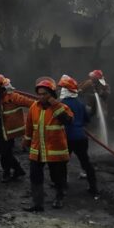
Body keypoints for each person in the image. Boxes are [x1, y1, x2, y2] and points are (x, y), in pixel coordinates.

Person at [23, 77, 73, 211]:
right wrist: (26, 141)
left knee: (57, 177)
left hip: (55, 150)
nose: (41, 97)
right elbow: (29, 126)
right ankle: (37, 204)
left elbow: (67, 120)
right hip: (37, 149)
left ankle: (59, 197)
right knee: (35, 176)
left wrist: (54, 104)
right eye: (39, 94)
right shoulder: (34, 107)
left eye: (44, 94)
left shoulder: (62, 107)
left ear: (52, 94)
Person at [58, 75, 99, 197]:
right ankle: (93, 187)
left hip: (67, 137)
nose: (60, 90)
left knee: (62, 162)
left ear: (65, 90)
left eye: (61, 88)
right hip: (81, 137)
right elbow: (86, 119)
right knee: (85, 162)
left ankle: (62, 186)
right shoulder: (80, 104)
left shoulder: (61, 105)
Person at [0, 74, 34, 182]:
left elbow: (31, 103)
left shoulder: (12, 97)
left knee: (5, 153)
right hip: (1, 129)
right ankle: (18, 169)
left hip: (9, 131)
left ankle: (7, 173)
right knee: (4, 152)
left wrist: (43, 105)